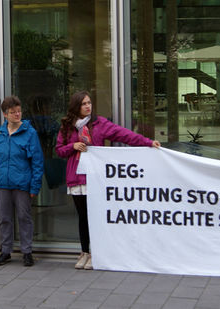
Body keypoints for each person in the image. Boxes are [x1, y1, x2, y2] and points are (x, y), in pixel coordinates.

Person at [55, 91, 160, 270]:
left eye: (89, 103)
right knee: (82, 216)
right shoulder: (67, 126)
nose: (88, 106)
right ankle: (84, 251)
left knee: (95, 215)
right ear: (76, 107)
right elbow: (59, 150)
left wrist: (147, 142)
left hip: (95, 177)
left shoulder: (99, 124)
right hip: (76, 177)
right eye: (84, 104)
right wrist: (72, 146)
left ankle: (97, 252)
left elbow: (124, 134)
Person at [0, 96, 44, 267]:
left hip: (22, 183)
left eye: (18, 111)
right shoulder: (0, 132)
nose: (17, 114)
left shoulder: (30, 133)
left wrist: (35, 185)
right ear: (5, 114)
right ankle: (6, 251)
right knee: (4, 218)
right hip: (2, 182)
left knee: (24, 217)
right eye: (13, 112)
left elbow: (37, 161)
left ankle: (27, 252)